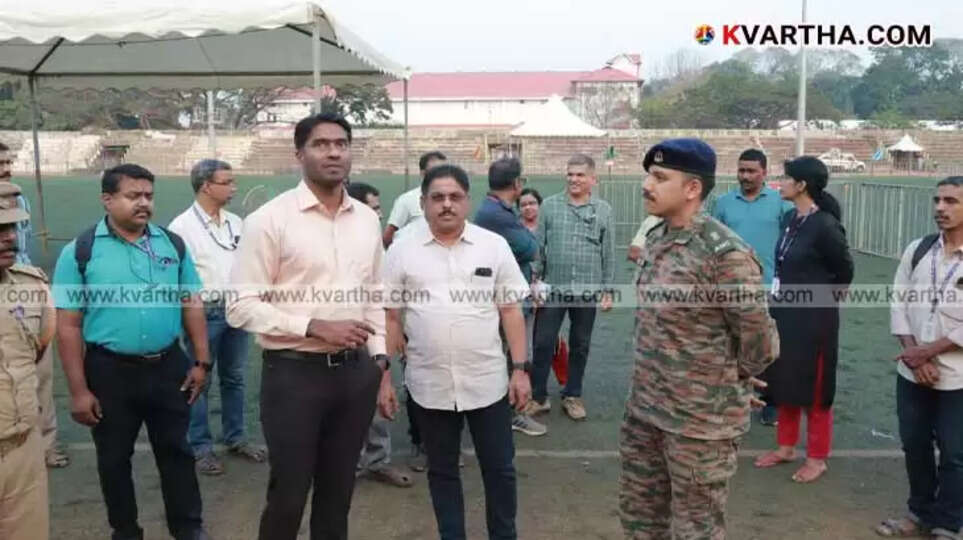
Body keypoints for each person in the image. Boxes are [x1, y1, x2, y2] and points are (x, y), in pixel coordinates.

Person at [227, 113, 388, 540]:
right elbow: (240, 306)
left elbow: (374, 293)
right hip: (294, 375)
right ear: (299, 154)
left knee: (338, 494)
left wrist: (379, 358)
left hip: (356, 376)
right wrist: (313, 325)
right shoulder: (270, 219)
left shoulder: (367, 220)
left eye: (341, 143)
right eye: (321, 144)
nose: (333, 151)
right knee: (289, 495)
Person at [620, 138, 778, 538]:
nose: (647, 185)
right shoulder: (656, 238)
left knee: (696, 530)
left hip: (699, 426)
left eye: (659, 177)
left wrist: (730, 379)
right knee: (641, 521)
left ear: (692, 188)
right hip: (646, 411)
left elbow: (759, 339)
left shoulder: (724, 255)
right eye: (648, 176)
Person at [53, 164, 211, 540]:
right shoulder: (81, 251)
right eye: (133, 196)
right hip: (109, 372)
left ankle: (188, 529)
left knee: (177, 452)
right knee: (113, 459)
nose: (144, 204)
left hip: (167, 366)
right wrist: (79, 391)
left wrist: (201, 361)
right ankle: (125, 531)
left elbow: (191, 303)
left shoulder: (171, 244)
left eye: (149, 196)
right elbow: (68, 325)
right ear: (107, 199)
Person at [381, 163, 532, 540]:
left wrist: (520, 369)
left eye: (455, 197)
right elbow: (391, 317)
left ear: (467, 201)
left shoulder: (492, 245)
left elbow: (511, 310)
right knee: (442, 471)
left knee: (499, 469)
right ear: (423, 202)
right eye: (437, 197)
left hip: (488, 382)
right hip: (429, 384)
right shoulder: (401, 250)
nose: (446, 205)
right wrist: (383, 375)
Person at [754, 156, 854, 484]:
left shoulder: (825, 225)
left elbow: (844, 269)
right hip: (785, 311)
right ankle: (785, 447)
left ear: (802, 186)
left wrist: (823, 300)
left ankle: (817, 457)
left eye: (786, 178)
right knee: (784, 377)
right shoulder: (789, 220)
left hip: (816, 319)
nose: (779, 183)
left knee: (816, 386)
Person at [168, 159, 265, 475]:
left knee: (235, 377)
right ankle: (200, 447)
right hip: (204, 314)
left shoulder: (236, 222)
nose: (234, 188)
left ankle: (236, 437)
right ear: (206, 186)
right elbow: (180, 281)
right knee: (199, 379)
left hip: (236, 309)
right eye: (228, 182)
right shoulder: (181, 228)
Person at [882, 176, 963, 539]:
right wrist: (914, 354)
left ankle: (947, 522)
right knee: (914, 445)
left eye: (951, 201)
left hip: (958, 375)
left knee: (954, 452)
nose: (940, 209)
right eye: (937, 200)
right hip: (913, 371)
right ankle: (919, 511)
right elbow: (898, 303)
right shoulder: (918, 249)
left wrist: (928, 351)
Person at [525, 154, 614, 421]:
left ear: (592, 179)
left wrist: (607, 289)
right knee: (542, 343)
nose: (574, 179)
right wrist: (535, 282)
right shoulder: (550, 207)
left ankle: (572, 395)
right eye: (570, 174)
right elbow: (538, 248)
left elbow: (608, 253)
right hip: (554, 289)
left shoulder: (604, 210)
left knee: (580, 344)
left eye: (580, 175)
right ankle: (539, 397)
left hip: (587, 290)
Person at [711, 148, 793, 427]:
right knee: (730, 347)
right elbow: (711, 242)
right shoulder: (723, 203)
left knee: (768, 348)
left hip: (768, 286)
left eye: (751, 171)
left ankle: (771, 401)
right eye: (741, 170)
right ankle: (733, 400)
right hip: (729, 287)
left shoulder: (781, 203)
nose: (745, 176)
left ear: (764, 173)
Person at [0, 141, 67, 468]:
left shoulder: (20, 198)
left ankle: (46, 446)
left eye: (7, 160)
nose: (5, 166)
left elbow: (21, 244)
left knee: (40, 373)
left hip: (25, 288)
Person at [345, 180, 415, 488]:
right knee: (346, 403)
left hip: (376, 332)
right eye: (374, 208)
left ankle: (376, 461)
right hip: (343, 335)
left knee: (379, 397)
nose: (380, 213)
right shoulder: (340, 243)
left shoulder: (382, 246)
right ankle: (345, 464)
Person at [383, 150, 448, 471]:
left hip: (448, 315)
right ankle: (420, 444)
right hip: (412, 317)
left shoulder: (459, 223)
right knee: (416, 380)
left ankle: (445, 445)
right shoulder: (406, 230)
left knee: (447, 376)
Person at [475, 158, 547, 437]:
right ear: (516, 184)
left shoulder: (497, 210)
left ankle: (507, 413)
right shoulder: (497, 215)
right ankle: (509, 414)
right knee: (509, 358)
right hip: (504, 299)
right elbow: (530, 248)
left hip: (508, 294)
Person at [0, 182, 54, 540]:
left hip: (22, 450)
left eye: (9, 227)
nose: (8, 238)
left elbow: (38, 361)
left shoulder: (32, 287)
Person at [383, 150, 447, 248]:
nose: (442, 176)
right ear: (423, 173)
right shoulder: (407, 200)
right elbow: (388, 237)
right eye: (436, 171)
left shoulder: (452, 200)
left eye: (445, 171)